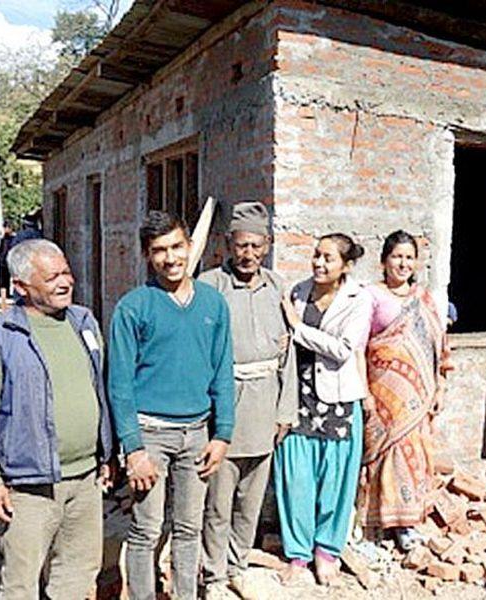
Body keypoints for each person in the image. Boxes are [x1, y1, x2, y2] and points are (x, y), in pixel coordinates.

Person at [0, 239, 115, 599]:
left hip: (85, 477)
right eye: (51, 277)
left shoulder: (84, 321)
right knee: (21, 581)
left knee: (78, 572)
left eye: (66, 272)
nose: (65, 282)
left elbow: (100, 388)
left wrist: (106, 453)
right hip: (30, 485)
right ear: (21, 287)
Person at [108, 211, 235, 600]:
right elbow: (119, 384)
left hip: (197, 435)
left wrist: (223, 433)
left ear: (189, 246)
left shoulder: (213, 304)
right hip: (150, 435)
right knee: (146, 531)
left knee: (188, 528)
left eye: (177, 246)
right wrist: (134, 449)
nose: (170, 258)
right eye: (159, 250)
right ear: (148, 255)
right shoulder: (134, 307)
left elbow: (222, 371)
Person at [198, 202, 297, 600]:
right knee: (218, 503)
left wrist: (285, 411)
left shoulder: (276, 287)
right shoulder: (209, 286)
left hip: (266, 408)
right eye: (241, 246)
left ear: (268, 245)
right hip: (224, 410)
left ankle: (238, 566)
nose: (249, 254)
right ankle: (213, 576)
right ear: (227, 245)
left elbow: (288, 355)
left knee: (250, 502)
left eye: (256, 246)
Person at [276, 233, 372, 585]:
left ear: (345, 265)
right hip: (297, 396)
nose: (318, 263)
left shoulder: (359, 299)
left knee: (335, 481)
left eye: (328, 258)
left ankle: (327, 552)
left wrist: (298, 328)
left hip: (337, 399)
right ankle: (298, 555)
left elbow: (345, 349)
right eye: (316, 255)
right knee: (296, 478)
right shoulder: (298, 292)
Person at [355, 230, 450, 551]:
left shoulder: (423, 299)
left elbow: (439, 346)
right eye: (397, 256)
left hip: (418, 395)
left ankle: (405, 524)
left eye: (409, 257)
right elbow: (357, 345)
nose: (403, 263)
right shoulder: (370, 295)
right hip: (381, 392)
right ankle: (377, 521)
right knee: (380, 454)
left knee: (412, 454)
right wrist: (364, 391)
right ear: (384, 261)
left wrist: (438, 387)